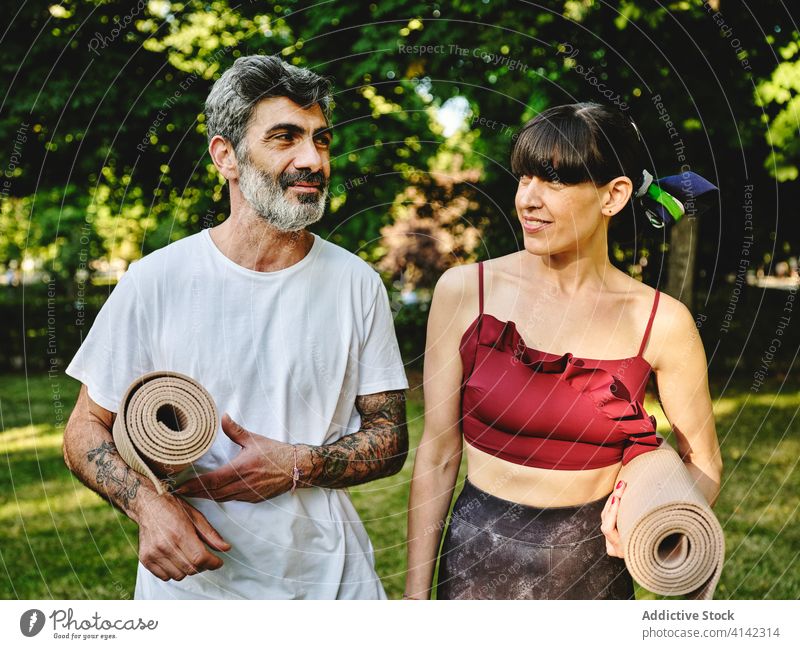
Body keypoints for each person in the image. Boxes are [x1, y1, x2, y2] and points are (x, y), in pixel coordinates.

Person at [63, 55, 409, 599]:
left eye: (320, 140)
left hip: (331, 588)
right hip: (196, 591)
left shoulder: (357, 283)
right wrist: (149, 506)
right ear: (226, 156)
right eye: (285, 137)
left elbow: (389, 438)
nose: (312, 159)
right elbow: (84, 431)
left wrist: (299, 464)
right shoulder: (157, 280)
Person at [405, 102, 723, 600]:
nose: (528, 199)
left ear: (613, 196)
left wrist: (649, 517)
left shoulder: (662, 322)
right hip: (470, 571)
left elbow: (703, 463)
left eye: (553, 182)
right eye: (523, 177)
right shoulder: (466, 291)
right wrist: (413, 601)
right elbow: (438, 455)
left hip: (591, 580)